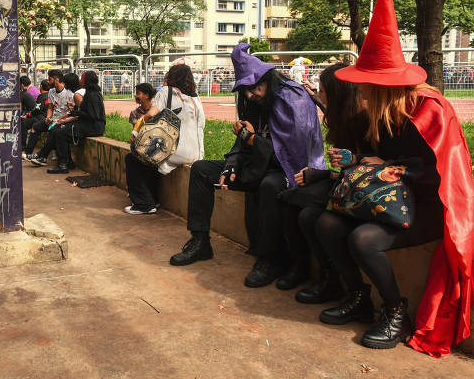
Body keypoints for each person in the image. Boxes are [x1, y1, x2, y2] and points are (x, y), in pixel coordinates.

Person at [311, 0, 474, 356]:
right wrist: (354, 160)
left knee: (362, 238)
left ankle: (395, 312)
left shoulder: (432, 110)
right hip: (388, 200)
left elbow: (445, 175)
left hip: (429, 206)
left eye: (367, 85)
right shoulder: (378, 113)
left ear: (387, 85)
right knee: (326, 222)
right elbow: (373, 159)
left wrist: (394, 167)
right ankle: (358, 298)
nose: (361, 91)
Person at [168, 43, 325, 291]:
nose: (251, 94)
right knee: (201, 170)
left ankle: (269, 259)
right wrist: (231, 165)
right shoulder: (254, 102)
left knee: (269, 185)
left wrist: (251, 139)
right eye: (246, 90)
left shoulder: (293, 98)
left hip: (291, 170)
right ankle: (200, 241)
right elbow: (241, 144)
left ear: (267, 79)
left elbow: (290, 153)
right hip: (261, 164)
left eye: (254, 87)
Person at [279, 62, 369, 298]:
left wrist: (323, 174)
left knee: (305, 211)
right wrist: (322, 174)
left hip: (364, 189)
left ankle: (331, 282)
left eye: (321, 89)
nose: (319, 94)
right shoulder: (344, 117)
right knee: (292, 201)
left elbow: (364, 170)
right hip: (347, 183)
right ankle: (306, 271)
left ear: (336, 93)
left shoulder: (365, 120)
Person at [124, 65, 205, 214]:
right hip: (195, 154)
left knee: (134, 157)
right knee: (150, 158)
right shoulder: (195, 97)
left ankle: (144, 204)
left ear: (171, 77)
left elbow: (148, 115)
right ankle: (152, 200)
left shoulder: (166, 91)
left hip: (175, 151)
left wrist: (136, 133)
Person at [33, 71, 106, 174]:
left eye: (82, 78)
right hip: (89, 124)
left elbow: (93, 115)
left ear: (87, 81)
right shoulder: (90, 93)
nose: (80, 80)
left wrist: (77, 112)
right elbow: (86, 112)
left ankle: (62, 164)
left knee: (61, 133)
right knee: (59, 130)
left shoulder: (92, 95)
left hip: (94, 127)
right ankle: (67, 162)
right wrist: (75, 110)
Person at [23, 73, 73, 159]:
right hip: (53, 119)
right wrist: (48, 117)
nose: (48, 81)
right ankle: (28, 153)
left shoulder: (69, 93)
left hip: (64, 120)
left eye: (50, 79)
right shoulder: (51, 91)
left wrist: (56, 119)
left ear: (56, 80)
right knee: (35, 126)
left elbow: (71, 113)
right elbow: (50, 108)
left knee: (53, 130)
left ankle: (43, 157)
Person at [20, 79, 50, 149]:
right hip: (47, 117)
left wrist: (27, 116)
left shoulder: (42, 96)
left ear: (41, 86)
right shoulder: (50, 95)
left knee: (23, 123)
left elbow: (37, 110)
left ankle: (23, 146)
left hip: (41, 118)